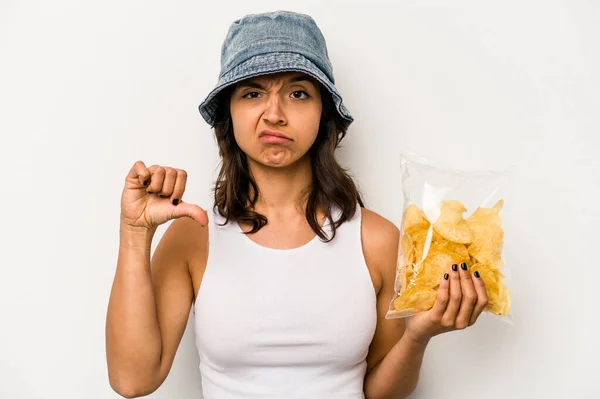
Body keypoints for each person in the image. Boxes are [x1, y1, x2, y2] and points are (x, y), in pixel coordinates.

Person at [105, 10, 489, 399]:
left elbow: (380, 393)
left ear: (324, 113)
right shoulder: (194, 236)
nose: (274, 114)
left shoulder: (376, 239)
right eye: (252, 93)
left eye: (298, 93)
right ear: (229, 114)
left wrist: (419, 335)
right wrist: (136, 233)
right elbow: (133, 380)